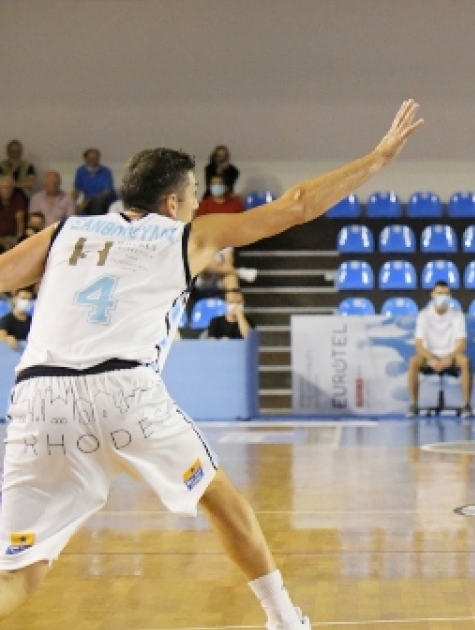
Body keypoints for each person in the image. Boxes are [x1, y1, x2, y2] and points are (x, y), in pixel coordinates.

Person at [0, 100, 423, 628]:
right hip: (122, 390)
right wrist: (377, 159)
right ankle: (284, 619)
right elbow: (296, 206)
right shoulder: (186, 236)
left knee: (20, 574)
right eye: (195, 194)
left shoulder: (66, 232)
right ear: (172, 201)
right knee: (220, 499)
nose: (198, 204)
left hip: (39, 399)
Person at [408, 281, 472, 418]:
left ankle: (466, 405)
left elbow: (461, 344)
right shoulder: (423, 315)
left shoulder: (457, 316)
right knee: (414, 361)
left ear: (450, 296)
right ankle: (413, 405)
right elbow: (419, 345)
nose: (443, 296)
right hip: (429, 356)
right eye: (440, 293)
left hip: (451, 356)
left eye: (446, 294)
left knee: (465, 361)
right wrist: (432, 359)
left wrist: (448, 359)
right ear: (433, 295)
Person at [73, 148, 116, 216]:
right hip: (87, 203)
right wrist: (71, 202)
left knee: (97, 202)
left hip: (103, 201)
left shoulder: (105, 171)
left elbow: (106, 192)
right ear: (85, 159)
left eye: (96, 158)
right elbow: (77, 190)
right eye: (91, 159)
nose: (93, 161)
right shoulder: (81, 171)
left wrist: (88, 201)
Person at [0, 287, 34, 352]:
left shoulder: (33, 321)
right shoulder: (6, 320)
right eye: (23, 298)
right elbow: (1, 336)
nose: (26, 302)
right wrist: (7, 338)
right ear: (15, 299)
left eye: (29, 299)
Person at [0, 175, 28, 248]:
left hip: (13, 236)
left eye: (8, 187)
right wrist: (4, 242)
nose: (6, 190)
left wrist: (19, 241)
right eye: (3, 187)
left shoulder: (18, 198)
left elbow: (20, 220)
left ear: (13, 188)